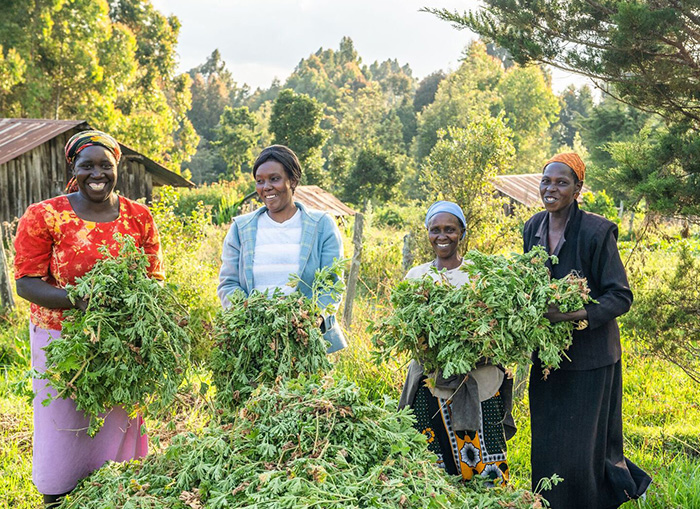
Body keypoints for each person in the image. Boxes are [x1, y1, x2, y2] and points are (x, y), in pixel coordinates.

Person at [13, 130, 163, 507]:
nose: (97, 173)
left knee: (117, 418)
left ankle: (114, 493)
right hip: (60, 339)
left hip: (121, 341)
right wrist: (77, 300)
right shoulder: (45, 215)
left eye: (105, 165)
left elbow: (153, 279)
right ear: (73, 168)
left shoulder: (138, 217)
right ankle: (57, 496)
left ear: (117, 168)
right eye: (87, 165)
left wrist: (144, 321)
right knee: (62, 423)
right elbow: (26, 283)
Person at [523, 153, 651, 509]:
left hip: (592, 359)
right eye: (546, 180)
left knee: (584, 449)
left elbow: (620, 296)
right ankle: (546, 504)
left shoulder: (597, 231)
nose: (551, 188)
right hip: (548, 359)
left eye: (562, 182)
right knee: (547, 444)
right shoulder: (532, 227)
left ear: (578, 188)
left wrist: (570, 314)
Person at [398, 201, 515, 485]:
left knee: (483, 449)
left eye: (450, 229)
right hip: (431, 378)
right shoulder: (417, 276)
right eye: (435, 229)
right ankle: (443, 496)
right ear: (427, 232)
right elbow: (405, 327)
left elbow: (499, 323)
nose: (442, 236)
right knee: (433, 452)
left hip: (478, 379)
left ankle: (489, 498)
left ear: (462, 232)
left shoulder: (481, 273)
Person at [217, 144, 346, 353]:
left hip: (304, 340)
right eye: (260, 181)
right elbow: (229, 283)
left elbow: (332, 284)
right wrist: (249, 319)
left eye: (274, 179)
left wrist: (312, 318)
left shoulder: (321, 225)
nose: (266, 187)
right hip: (253, 342)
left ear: (292, 181)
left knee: (305, 386)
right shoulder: (241, 229)